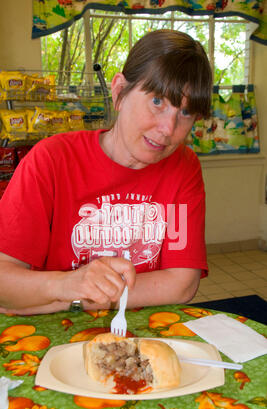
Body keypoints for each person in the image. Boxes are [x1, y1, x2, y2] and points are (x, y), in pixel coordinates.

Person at [0, 29, 212, 316]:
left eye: (185, 113)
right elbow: (4, 281)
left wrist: (70, 298)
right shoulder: (50, 160)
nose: (168, 129)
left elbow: (181, 283)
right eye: (157, 101)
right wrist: (67, 283)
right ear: (119, 92)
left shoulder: (182, 168)